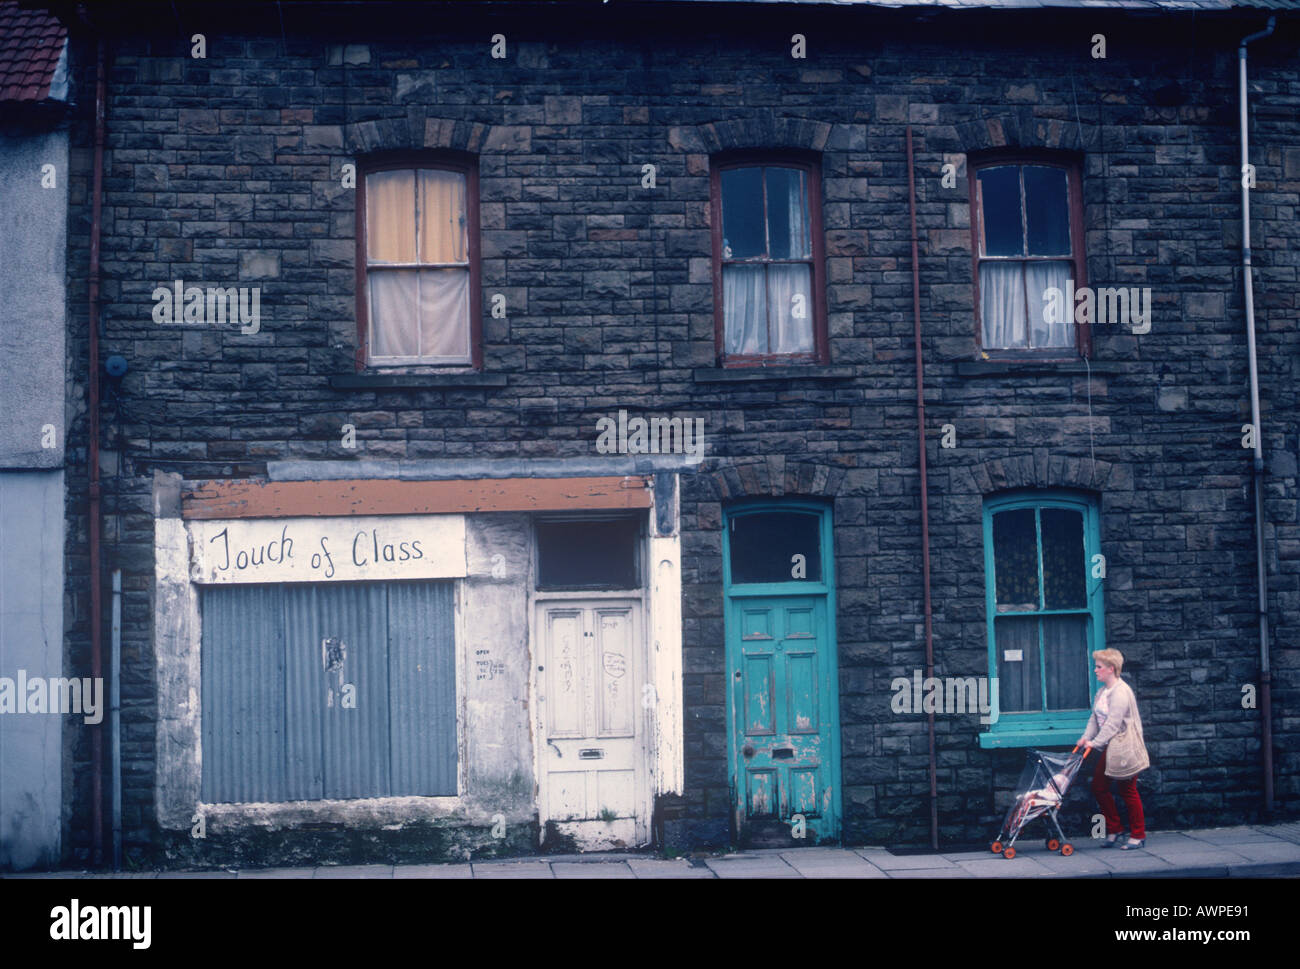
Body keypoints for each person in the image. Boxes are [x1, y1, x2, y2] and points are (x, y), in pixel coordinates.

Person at [1078, 648, 1147, 850]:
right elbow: (1095, 718)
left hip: (1125, 746)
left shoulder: (1121, 692)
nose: (1095, 670)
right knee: (1099, 787)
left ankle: (1138, 835)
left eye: (1099, 667)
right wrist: (1085, 737)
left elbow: (1113, 724)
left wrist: (1095, 743)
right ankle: (1115, 829)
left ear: (1111, 668)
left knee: (1128, 789)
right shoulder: (1103, 691)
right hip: (1111, 747)